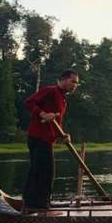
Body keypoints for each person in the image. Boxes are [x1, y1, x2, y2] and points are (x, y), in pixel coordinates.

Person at [22, 69, 79, 212]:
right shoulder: (51, 91)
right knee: (42, 171)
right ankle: (35, 205)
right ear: (64, 79)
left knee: (45, 172)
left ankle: (41, 202)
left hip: (47, 139)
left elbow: (56, 123)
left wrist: (63, 135)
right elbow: (29, 103)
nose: (75, 85)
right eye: (73, 81)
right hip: (38, 137)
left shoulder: (63, 98)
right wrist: (42, 113)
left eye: (77, 83)